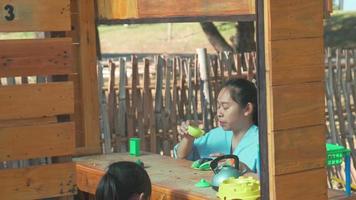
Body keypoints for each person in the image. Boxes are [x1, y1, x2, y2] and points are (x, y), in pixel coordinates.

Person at [174, 78, 260, 177]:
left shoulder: (261, 143)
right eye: (218, 106)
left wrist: (243, 169)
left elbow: (271, 183)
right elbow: (181, 157)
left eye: (225, 107)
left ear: (247, 109)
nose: (219, 113)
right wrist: (188, 138)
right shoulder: (218, 135)